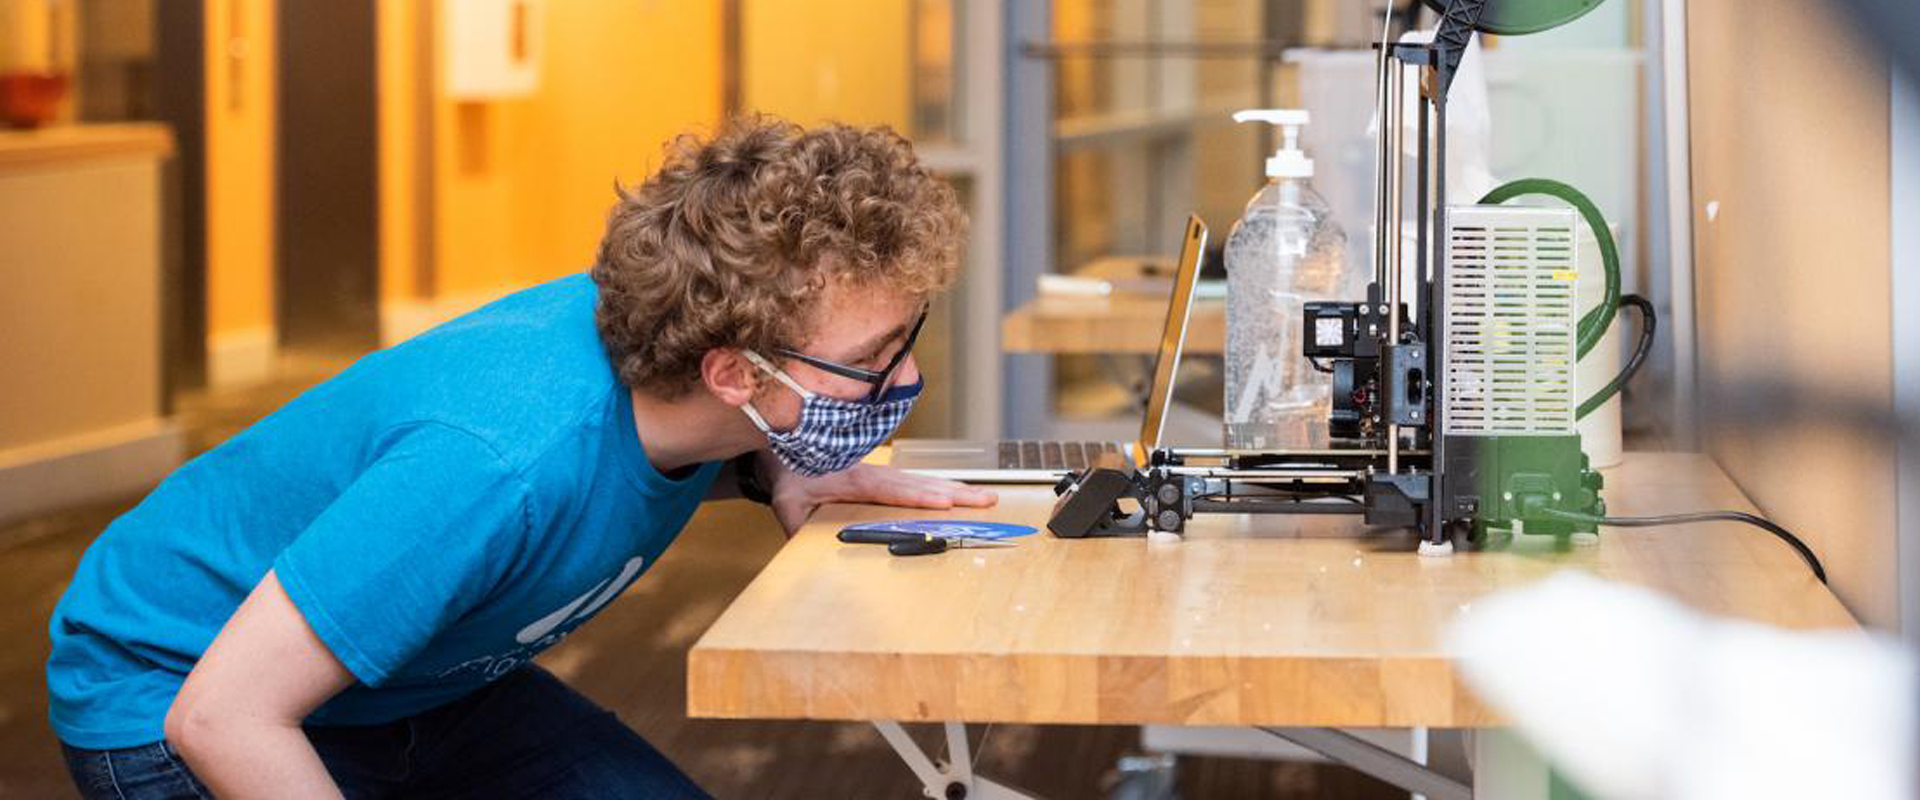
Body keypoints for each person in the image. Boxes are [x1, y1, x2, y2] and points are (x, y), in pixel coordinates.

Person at [46, 116, 997, 799]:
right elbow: (222, 718)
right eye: (871, 358)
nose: (904, 372)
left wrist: (784, 467)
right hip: (178, 688)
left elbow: (638, 450)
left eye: (905, 336)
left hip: (409, 676)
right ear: (734, 374)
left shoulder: (678, 366)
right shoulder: (495, 469)